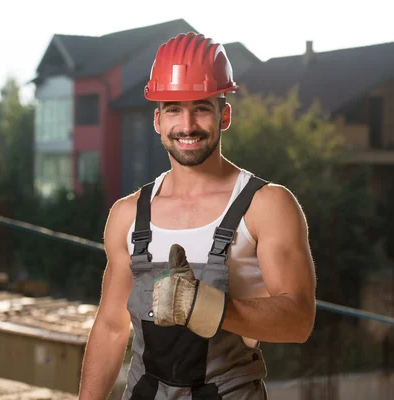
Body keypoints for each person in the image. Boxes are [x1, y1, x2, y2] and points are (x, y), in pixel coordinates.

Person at [77, 32, 317, 400]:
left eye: (201, 108)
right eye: (174, 109)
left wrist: (210, 307)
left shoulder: (266, 206)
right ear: (158, 120)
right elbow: (111, 327)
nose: (187, 125)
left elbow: (299, 321)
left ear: (225, 115)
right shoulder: (128, 214)